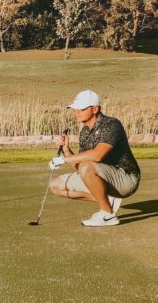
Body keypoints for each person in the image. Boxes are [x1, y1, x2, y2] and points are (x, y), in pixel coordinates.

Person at [49, 90, 140, 226]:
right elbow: (81, 168)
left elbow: (97, 155)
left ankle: (108, 215)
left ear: (95, 109)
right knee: (56, 186)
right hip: (103, 176)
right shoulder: (85, 132)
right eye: (75, 109)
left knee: (87, 166)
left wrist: (64, 160)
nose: (76, 112)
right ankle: (107, 199)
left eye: (81, 108)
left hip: (126, 178)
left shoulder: (111, 124)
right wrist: (66, 151)